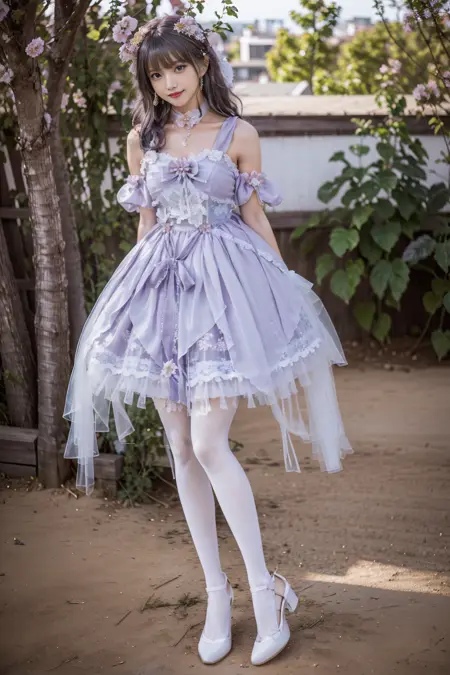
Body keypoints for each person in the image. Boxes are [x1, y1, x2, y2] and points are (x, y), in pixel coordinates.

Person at [63, 13, 352, 667]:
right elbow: (146, 224)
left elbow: (255, 216)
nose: (170, 82)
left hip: (224, 293)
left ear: (202, 65)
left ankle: (266, 594)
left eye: (179, 67)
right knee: (181, 449)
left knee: (206, 442)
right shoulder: (143, 139)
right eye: (156, 73)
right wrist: (133, 303)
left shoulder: (238, 133)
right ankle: (217, 595)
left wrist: (282, 294)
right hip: (162, 294)